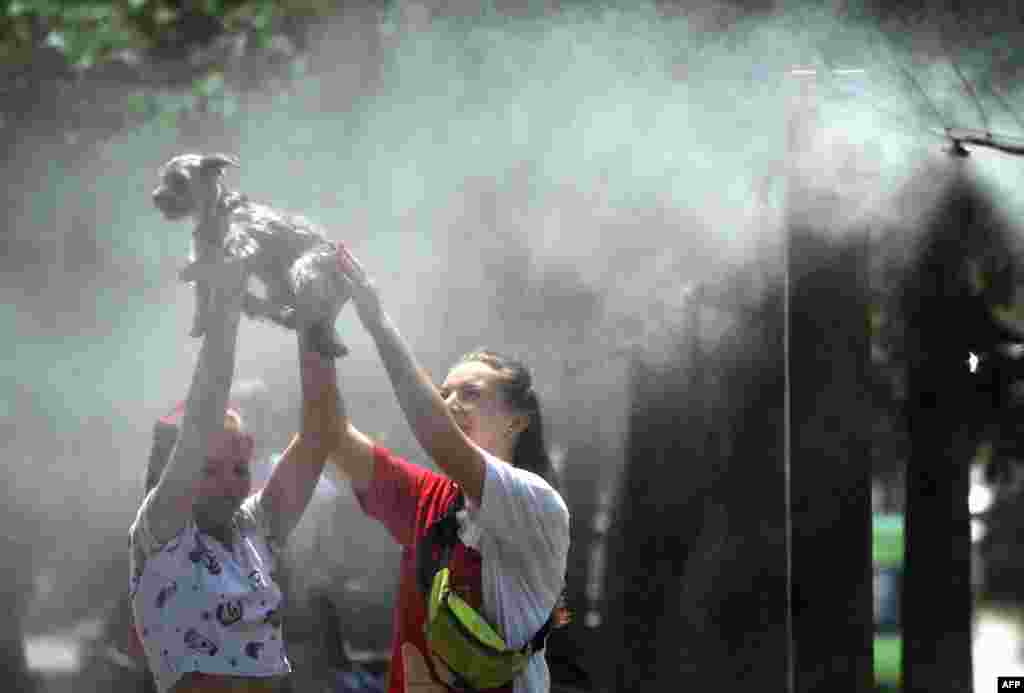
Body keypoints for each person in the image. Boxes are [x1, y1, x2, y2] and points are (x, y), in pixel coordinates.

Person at [326, 243, 571, 693]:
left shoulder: (537, 503)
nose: (450, 403)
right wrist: (315, 330)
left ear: (518, 420)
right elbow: (328, 432)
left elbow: (436, 435)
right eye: (445, 393)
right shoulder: (430, 498)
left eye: (471, 393)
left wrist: (377, 322)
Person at [129, 257, 337, 693]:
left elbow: (319, 435)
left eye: (239, 469)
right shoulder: (164, 532)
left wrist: (316, 325)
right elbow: (206, 405)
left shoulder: (254, 528)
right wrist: (224, 309)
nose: (230, 482)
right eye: (209, 470)